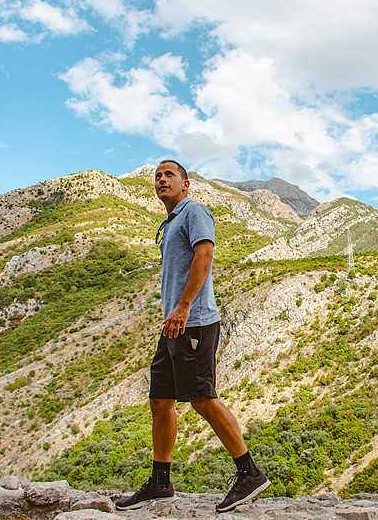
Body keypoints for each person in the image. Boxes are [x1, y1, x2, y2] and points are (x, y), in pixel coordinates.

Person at [115, 160, 270, 513]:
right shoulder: (170, 223)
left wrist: (184, 307)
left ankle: (250, 473)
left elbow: (206, 254)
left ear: (186, 184)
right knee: (160, 399)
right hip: (173, 324)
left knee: (201, 398)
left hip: (194, 321)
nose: (161, 179)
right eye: (157, 175)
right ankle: (160, 481)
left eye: (169, 174)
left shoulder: (194, 211)